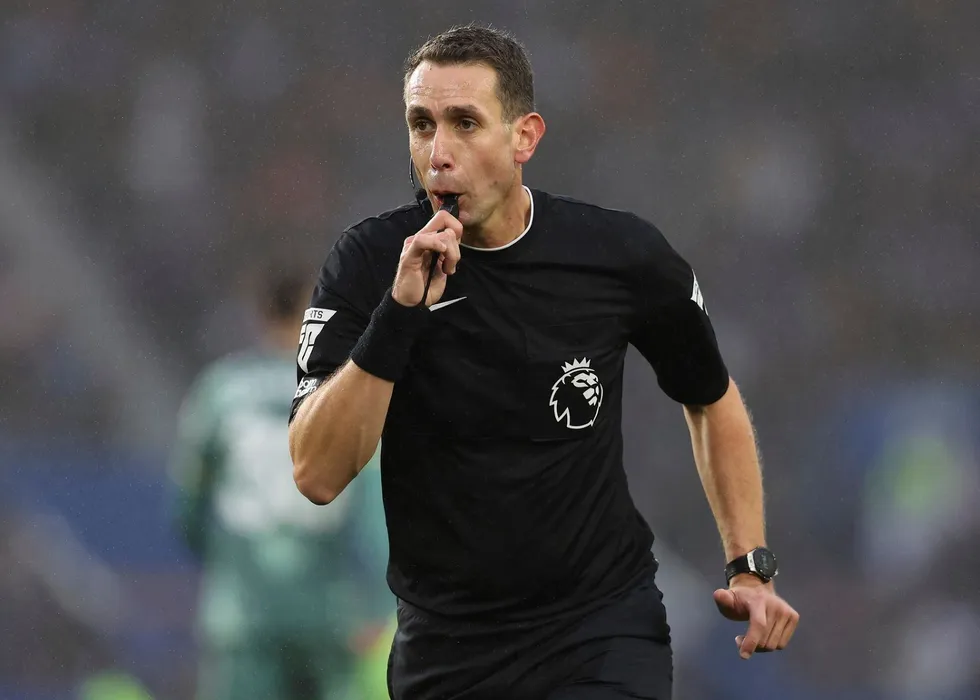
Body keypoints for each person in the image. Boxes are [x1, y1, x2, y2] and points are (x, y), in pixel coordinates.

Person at [288, 24, 799, 700]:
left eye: (465, 123)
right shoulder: (368, 264)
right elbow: (316, 474)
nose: (438, 153)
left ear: (524, 137)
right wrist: (398, 315)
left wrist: (750, 568)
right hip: (446, 648)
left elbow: (709, 397)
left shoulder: (617, 255)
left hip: (600, 629)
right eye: (421, 125)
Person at [168, 266, 393, 700]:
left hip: (245, 612)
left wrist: (226, 567)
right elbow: (373, 511)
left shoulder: (219, 392)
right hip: (325, 612)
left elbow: (187, 509)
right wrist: (378, 604)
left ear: (259, 315)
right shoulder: (344, 390)